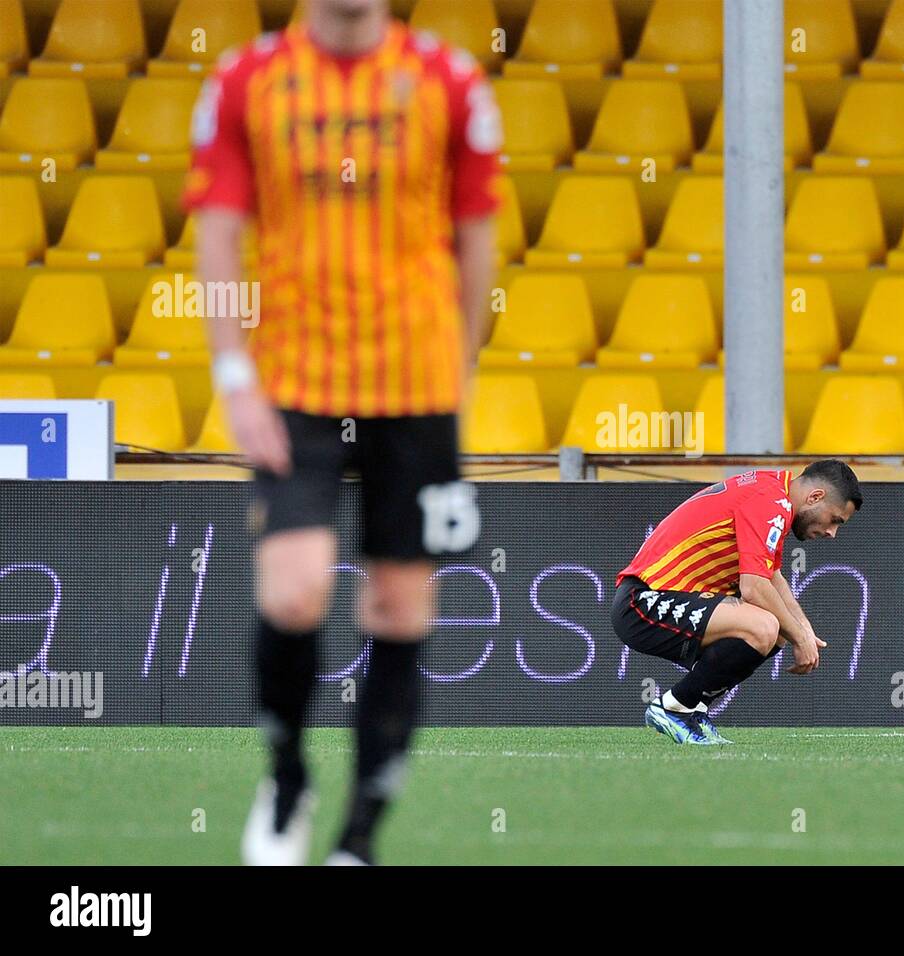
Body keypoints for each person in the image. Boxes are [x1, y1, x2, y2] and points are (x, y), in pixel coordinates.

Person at [185, 0, 501, 862]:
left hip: (415, 387)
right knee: (293, 592)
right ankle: (287, 774)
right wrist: (232, 375)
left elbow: (477, 235)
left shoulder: (451, 81)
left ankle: (358, 840)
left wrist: (458, 374)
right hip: (296, 382)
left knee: (399, 608)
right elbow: (217, 230)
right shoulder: (246, 80)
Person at [612, 461, 862, 744]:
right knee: (765, 625)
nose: (832, 533)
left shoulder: (774, 491)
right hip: (642, 601)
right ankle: (674, 707)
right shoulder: (771, 501)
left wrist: (801, 627)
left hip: (663, 598)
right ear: (815, 497)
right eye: (835, 520)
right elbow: (754, 587)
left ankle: (693, 707)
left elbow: (772, 576)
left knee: (778, 628)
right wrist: (799, 639)